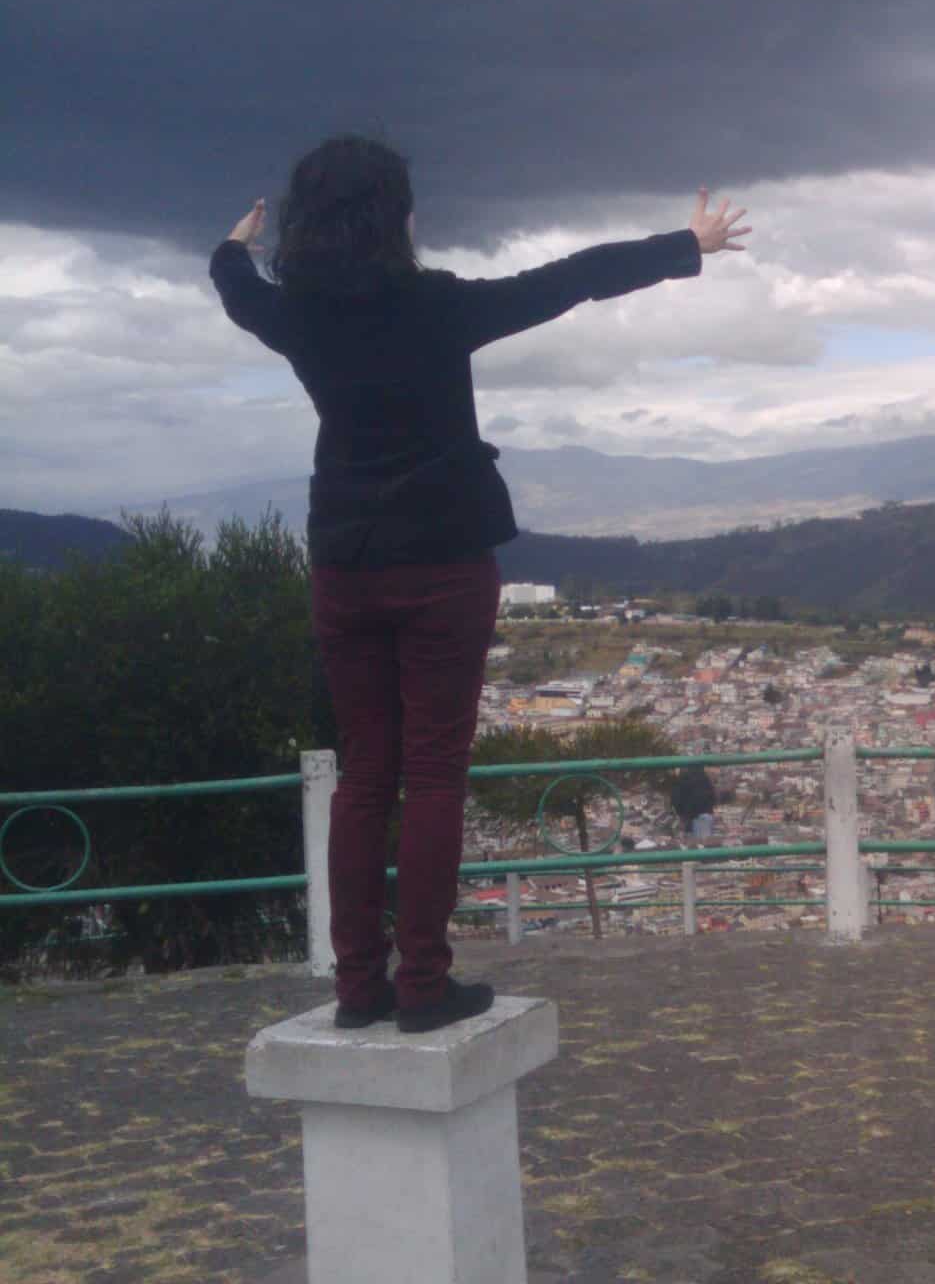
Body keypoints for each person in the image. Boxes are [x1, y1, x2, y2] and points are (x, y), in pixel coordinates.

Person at [211, 134, 749, 1032]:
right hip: (444, 561)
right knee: (433, 773)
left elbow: (236, 290)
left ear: (307, 219)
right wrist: (685, 247)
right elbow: (570, 278)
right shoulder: (437, 306)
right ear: (397, 216)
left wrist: (236, 246)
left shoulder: (293, 314)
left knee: (363, 775)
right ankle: (422, 986)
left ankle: (356, 990)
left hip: (343, 560)